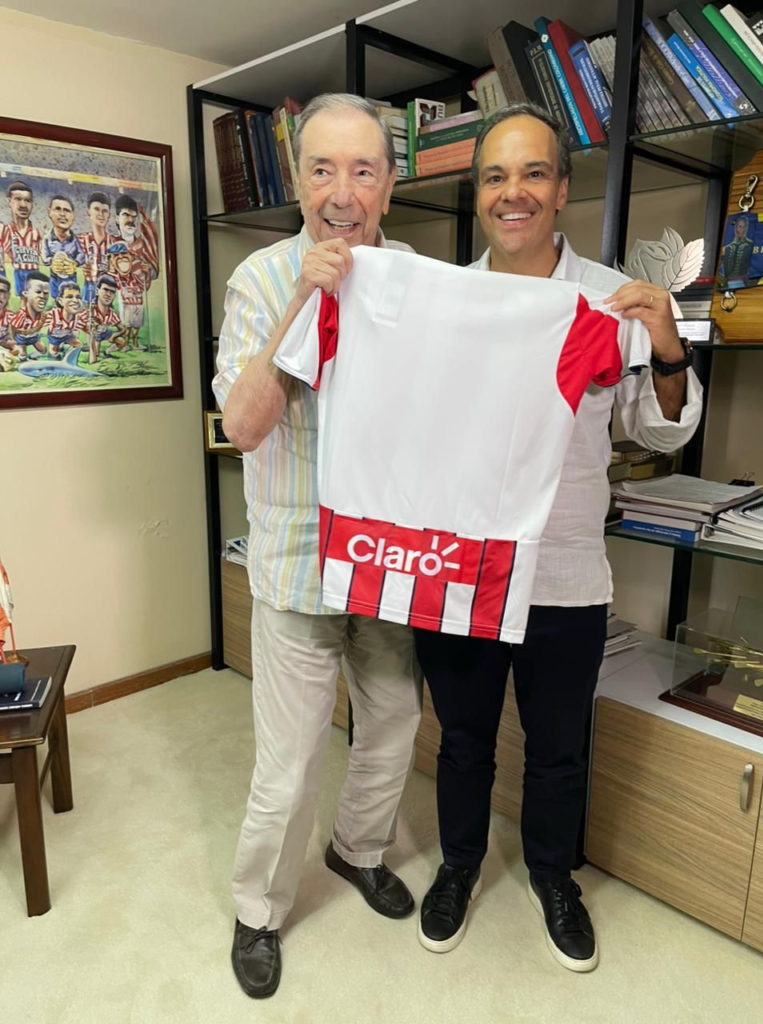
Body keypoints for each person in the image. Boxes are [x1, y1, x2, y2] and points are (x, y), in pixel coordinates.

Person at [414, 102, 703, 972]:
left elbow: (660, 431)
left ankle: (552, 877)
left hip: (566, 572)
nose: (514, 192)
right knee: (462, 741)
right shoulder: (445, 305)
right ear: (478, 194)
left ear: (563, 188)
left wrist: (666, 344)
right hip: (464, 571)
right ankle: (458, 866)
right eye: (495, 176)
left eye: (533, 173)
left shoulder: (610, 299)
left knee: (558, 749)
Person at [213, 93, 424, 1001]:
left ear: (389, 184)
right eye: (323, 169)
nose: (343, 192)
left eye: (363, 170)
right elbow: (243, 425)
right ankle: (257, 910)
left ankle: (358, 850)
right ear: (298, 181)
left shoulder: (415, 278)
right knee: (290, 763)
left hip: (388, 563)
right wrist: (306, 296)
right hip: (298, 564)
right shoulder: (260, 279)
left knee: (394, 723)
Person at [41, 195, 86, 300]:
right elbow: (44, 257)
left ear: (73, 216)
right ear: (49, 212)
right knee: (56, 300)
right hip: (55, 279)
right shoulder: (47, 239)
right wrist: (52, 262)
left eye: (67, 210)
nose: (62, 214)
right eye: (58, 209)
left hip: (71, 280)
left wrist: (75, 264)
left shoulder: (75, 240)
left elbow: (81, 255)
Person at [1, 181, 41, 296]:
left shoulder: (36, 233)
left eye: (27, 200)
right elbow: (7, 253)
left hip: (33, 272)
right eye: (18, 199)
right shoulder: (6, 231)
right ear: (9, 201)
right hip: (18, 272)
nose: (23, 205)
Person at [78, 192, 118, 304]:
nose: (101, 214)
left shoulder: (114, 243)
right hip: (88, 288)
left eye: (104, 211)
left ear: (109, 215)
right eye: (96, 209)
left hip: (107, 291)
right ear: (88, 212)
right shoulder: (80, 240)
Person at [44, 281, 83, 358]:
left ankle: (67, 355)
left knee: (79, 345)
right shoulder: (54, 314)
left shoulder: (78, 316)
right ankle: (57, 354)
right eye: (69, 297)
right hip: (55, 336)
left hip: (67, 335)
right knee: (53, 352)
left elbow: (81, 328)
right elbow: (40, 322)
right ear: (60, 300)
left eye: (78, 297)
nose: (75, 300)